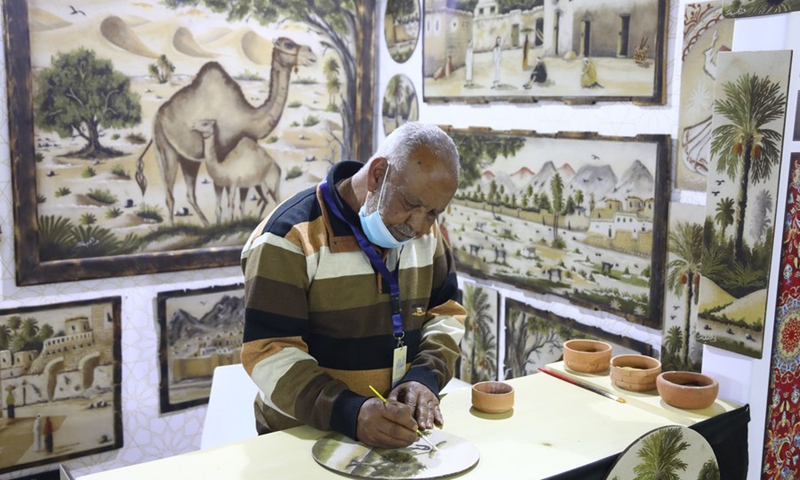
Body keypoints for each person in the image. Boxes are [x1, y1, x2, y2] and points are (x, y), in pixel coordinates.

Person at [241, 122, 466, 450]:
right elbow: (269, 352)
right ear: (377, 174)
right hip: (301, 439)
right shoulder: (288, 237)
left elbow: (446, 313)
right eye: (410, 204)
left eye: (433, 212)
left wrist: (424, 377)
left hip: (396, 438)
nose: (418, 225)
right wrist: (350, 412)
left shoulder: (426, 235)